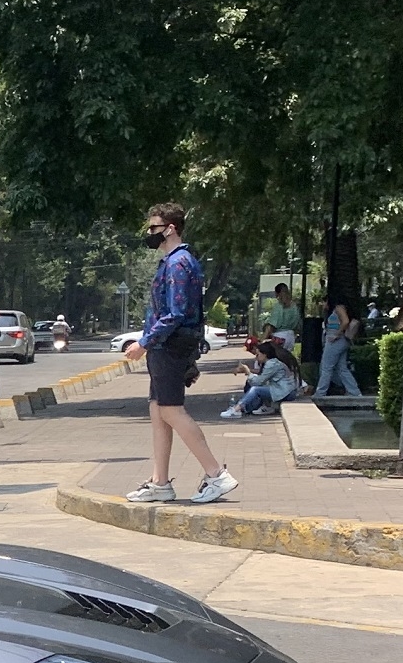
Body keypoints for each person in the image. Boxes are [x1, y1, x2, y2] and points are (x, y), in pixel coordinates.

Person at [127, 203, 236, 504]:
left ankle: (216, 474)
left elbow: (174, 314)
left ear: (170, 228)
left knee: (171, 410)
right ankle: (160, 481)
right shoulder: (179, 261)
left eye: (153, 228)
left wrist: (144, 342)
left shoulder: (177, 263)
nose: (149, 234)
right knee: (158, 409)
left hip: (170, 346)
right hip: (168, 346)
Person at [220, 338, 303, 418]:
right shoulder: (273, 362)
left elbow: (258, 382)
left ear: (264, 354)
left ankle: (236, 409)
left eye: (258, 354)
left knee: (255, 389)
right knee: (258, 388)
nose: (256, 357)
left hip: (285, 392)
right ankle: (253, 407)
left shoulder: (272, 364)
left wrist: (248, 372)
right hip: (283, 390)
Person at [315, 299, 362, 398]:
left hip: (335, 341)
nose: (322, 304)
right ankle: (355, 392)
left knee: (326, 367)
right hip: (340, 341)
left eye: (324, 301)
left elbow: (345, 321)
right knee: (342, 368)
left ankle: (320, 393)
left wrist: (337, 334)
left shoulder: (338, 308)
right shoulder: (336, 310)